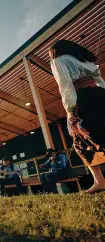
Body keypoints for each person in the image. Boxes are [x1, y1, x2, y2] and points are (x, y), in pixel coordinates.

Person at [50, 39, 105, 194]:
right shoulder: (85, 60)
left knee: (81, 138)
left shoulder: (58, 60)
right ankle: (100, 181)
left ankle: (100, 181)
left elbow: (65, 85)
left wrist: (70, 110)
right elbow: (100, 81)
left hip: (83, 99)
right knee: (93, 136)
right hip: (100, 94)